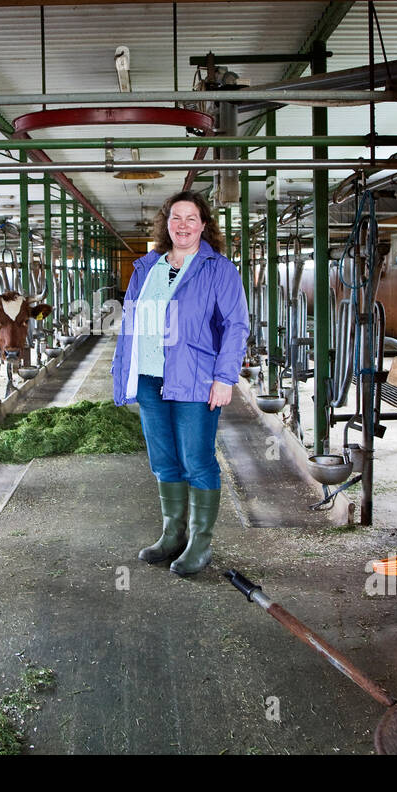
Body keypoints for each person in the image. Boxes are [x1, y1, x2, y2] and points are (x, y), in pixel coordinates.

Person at [111, 190, 250, 577]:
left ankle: (200, 545)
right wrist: (125, 373)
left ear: (204, 225)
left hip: (194, 380)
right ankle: (172, 534)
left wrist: (224, 378)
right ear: (166, 223)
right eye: (176, 218)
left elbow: (236, 326)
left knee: (197, 461)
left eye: (191, 218)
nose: (183, 225)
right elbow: (131, 327)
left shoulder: (218, 269)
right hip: (150, 379)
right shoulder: (147, 267)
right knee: (164, 460)